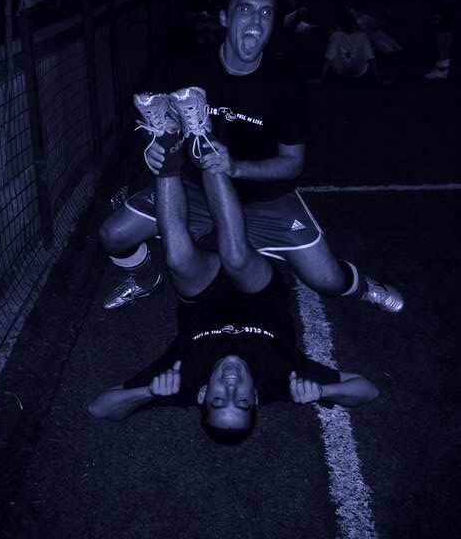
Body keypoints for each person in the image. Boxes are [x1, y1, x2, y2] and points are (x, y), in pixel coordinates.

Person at [100, 0, 403, 315]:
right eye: (245, 9)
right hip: (195, 189)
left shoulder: (285, 83)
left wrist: (236, 167)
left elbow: (292, 163)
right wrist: (153, 147)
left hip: (264, 196)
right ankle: (144, 278)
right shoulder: (188, 67)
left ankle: (365, 287)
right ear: (225, 17)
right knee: (113, 234)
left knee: (327, 280)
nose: (256, 21)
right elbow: (160, 121)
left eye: (266, 13)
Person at [89, 122, 379, 442]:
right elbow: (367, 391)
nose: (230, 387)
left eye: (218, 400)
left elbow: (100, 408)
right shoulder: (282, 380)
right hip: (259, 291)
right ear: (254, 398)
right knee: (236, 257)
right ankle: (202, 137)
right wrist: (324, 391)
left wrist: (147, 392)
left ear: (202, 395)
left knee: (178, 260)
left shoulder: (182, 381)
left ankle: (167, 146)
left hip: (201, 294)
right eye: (241, 401)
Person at [314, 9, 383, 85]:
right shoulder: (363, 36)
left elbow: (328, 59)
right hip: (359, 71)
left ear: (339, 25)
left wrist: (321, 78)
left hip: (341, 71)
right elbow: (371, 58)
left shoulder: (335, 36)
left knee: (332, 53)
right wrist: (377, 77)